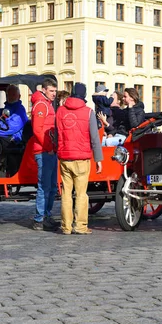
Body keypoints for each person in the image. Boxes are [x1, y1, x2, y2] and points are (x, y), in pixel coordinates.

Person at [56, 82, 103, 235]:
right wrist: (98, 159)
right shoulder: (88, 112)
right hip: (82, 158)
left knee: (66, 193)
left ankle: (66, 226)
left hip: (64, 157)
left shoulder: (60, 111)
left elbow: (57, 134)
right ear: (84, 95)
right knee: (81, 194)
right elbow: (94, 137)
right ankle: (80, 226)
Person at [30, 78, 60, 231]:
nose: (54, 94)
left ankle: (46, 215)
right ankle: (39, 219)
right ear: (44, 90)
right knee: (44, 186)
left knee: (52, 186)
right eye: (51, 91)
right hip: (44, 151)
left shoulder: (47, 104)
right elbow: (37, 129)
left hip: (50, 150)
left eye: (55, 91)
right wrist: (48, 146)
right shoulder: (42, 105)